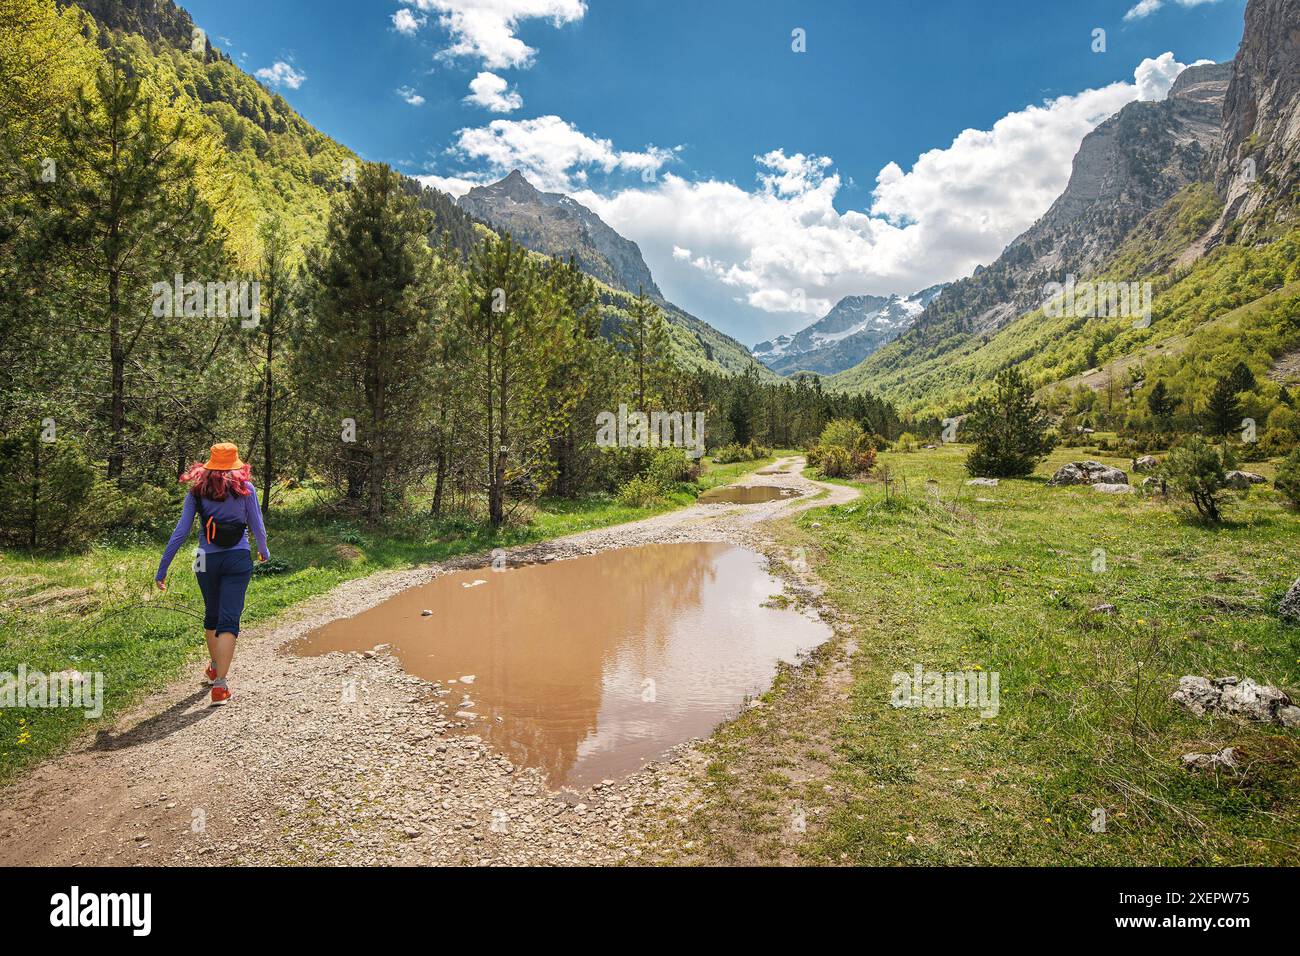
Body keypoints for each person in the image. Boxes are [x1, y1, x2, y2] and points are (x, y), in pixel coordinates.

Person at [156, 443, 270, 705]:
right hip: (238, 557)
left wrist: (163, 568)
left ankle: (215, 667)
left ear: (209, 464)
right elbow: (257, 525)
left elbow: (181, 532)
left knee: (212, 614)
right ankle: (220, 684)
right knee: (229, 619)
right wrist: (263, 551)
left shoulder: (197, 492)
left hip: (203, 559)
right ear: (236, 465)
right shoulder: (246, 489)